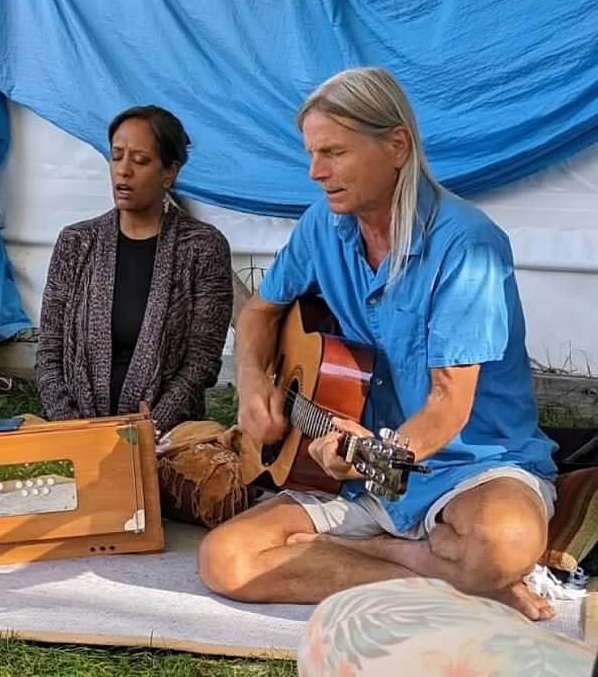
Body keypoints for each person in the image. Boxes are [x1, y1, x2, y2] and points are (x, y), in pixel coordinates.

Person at [197, 67, 559, 620]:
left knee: (501, 544)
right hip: (355, 480)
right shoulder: (323, 225)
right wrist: (252, 388)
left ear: (396, 145)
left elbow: (446, 405)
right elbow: (259, 313)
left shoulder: (468, 244)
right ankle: (442, 579)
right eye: (313, 154)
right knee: (225, 558)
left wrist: (368, 460)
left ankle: (384, 556)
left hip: (471, 467)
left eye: (334, 153)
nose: (316, 172)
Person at [35, 105, 233, 434]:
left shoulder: (203, 247)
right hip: (75, 434)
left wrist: (141, 432)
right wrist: (74, 430)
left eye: (140, 161)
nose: (123, 171)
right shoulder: (76, 242)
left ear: (169, 173)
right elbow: (49, 352)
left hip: (164, 436)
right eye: (116, 156)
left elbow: (201, 362)